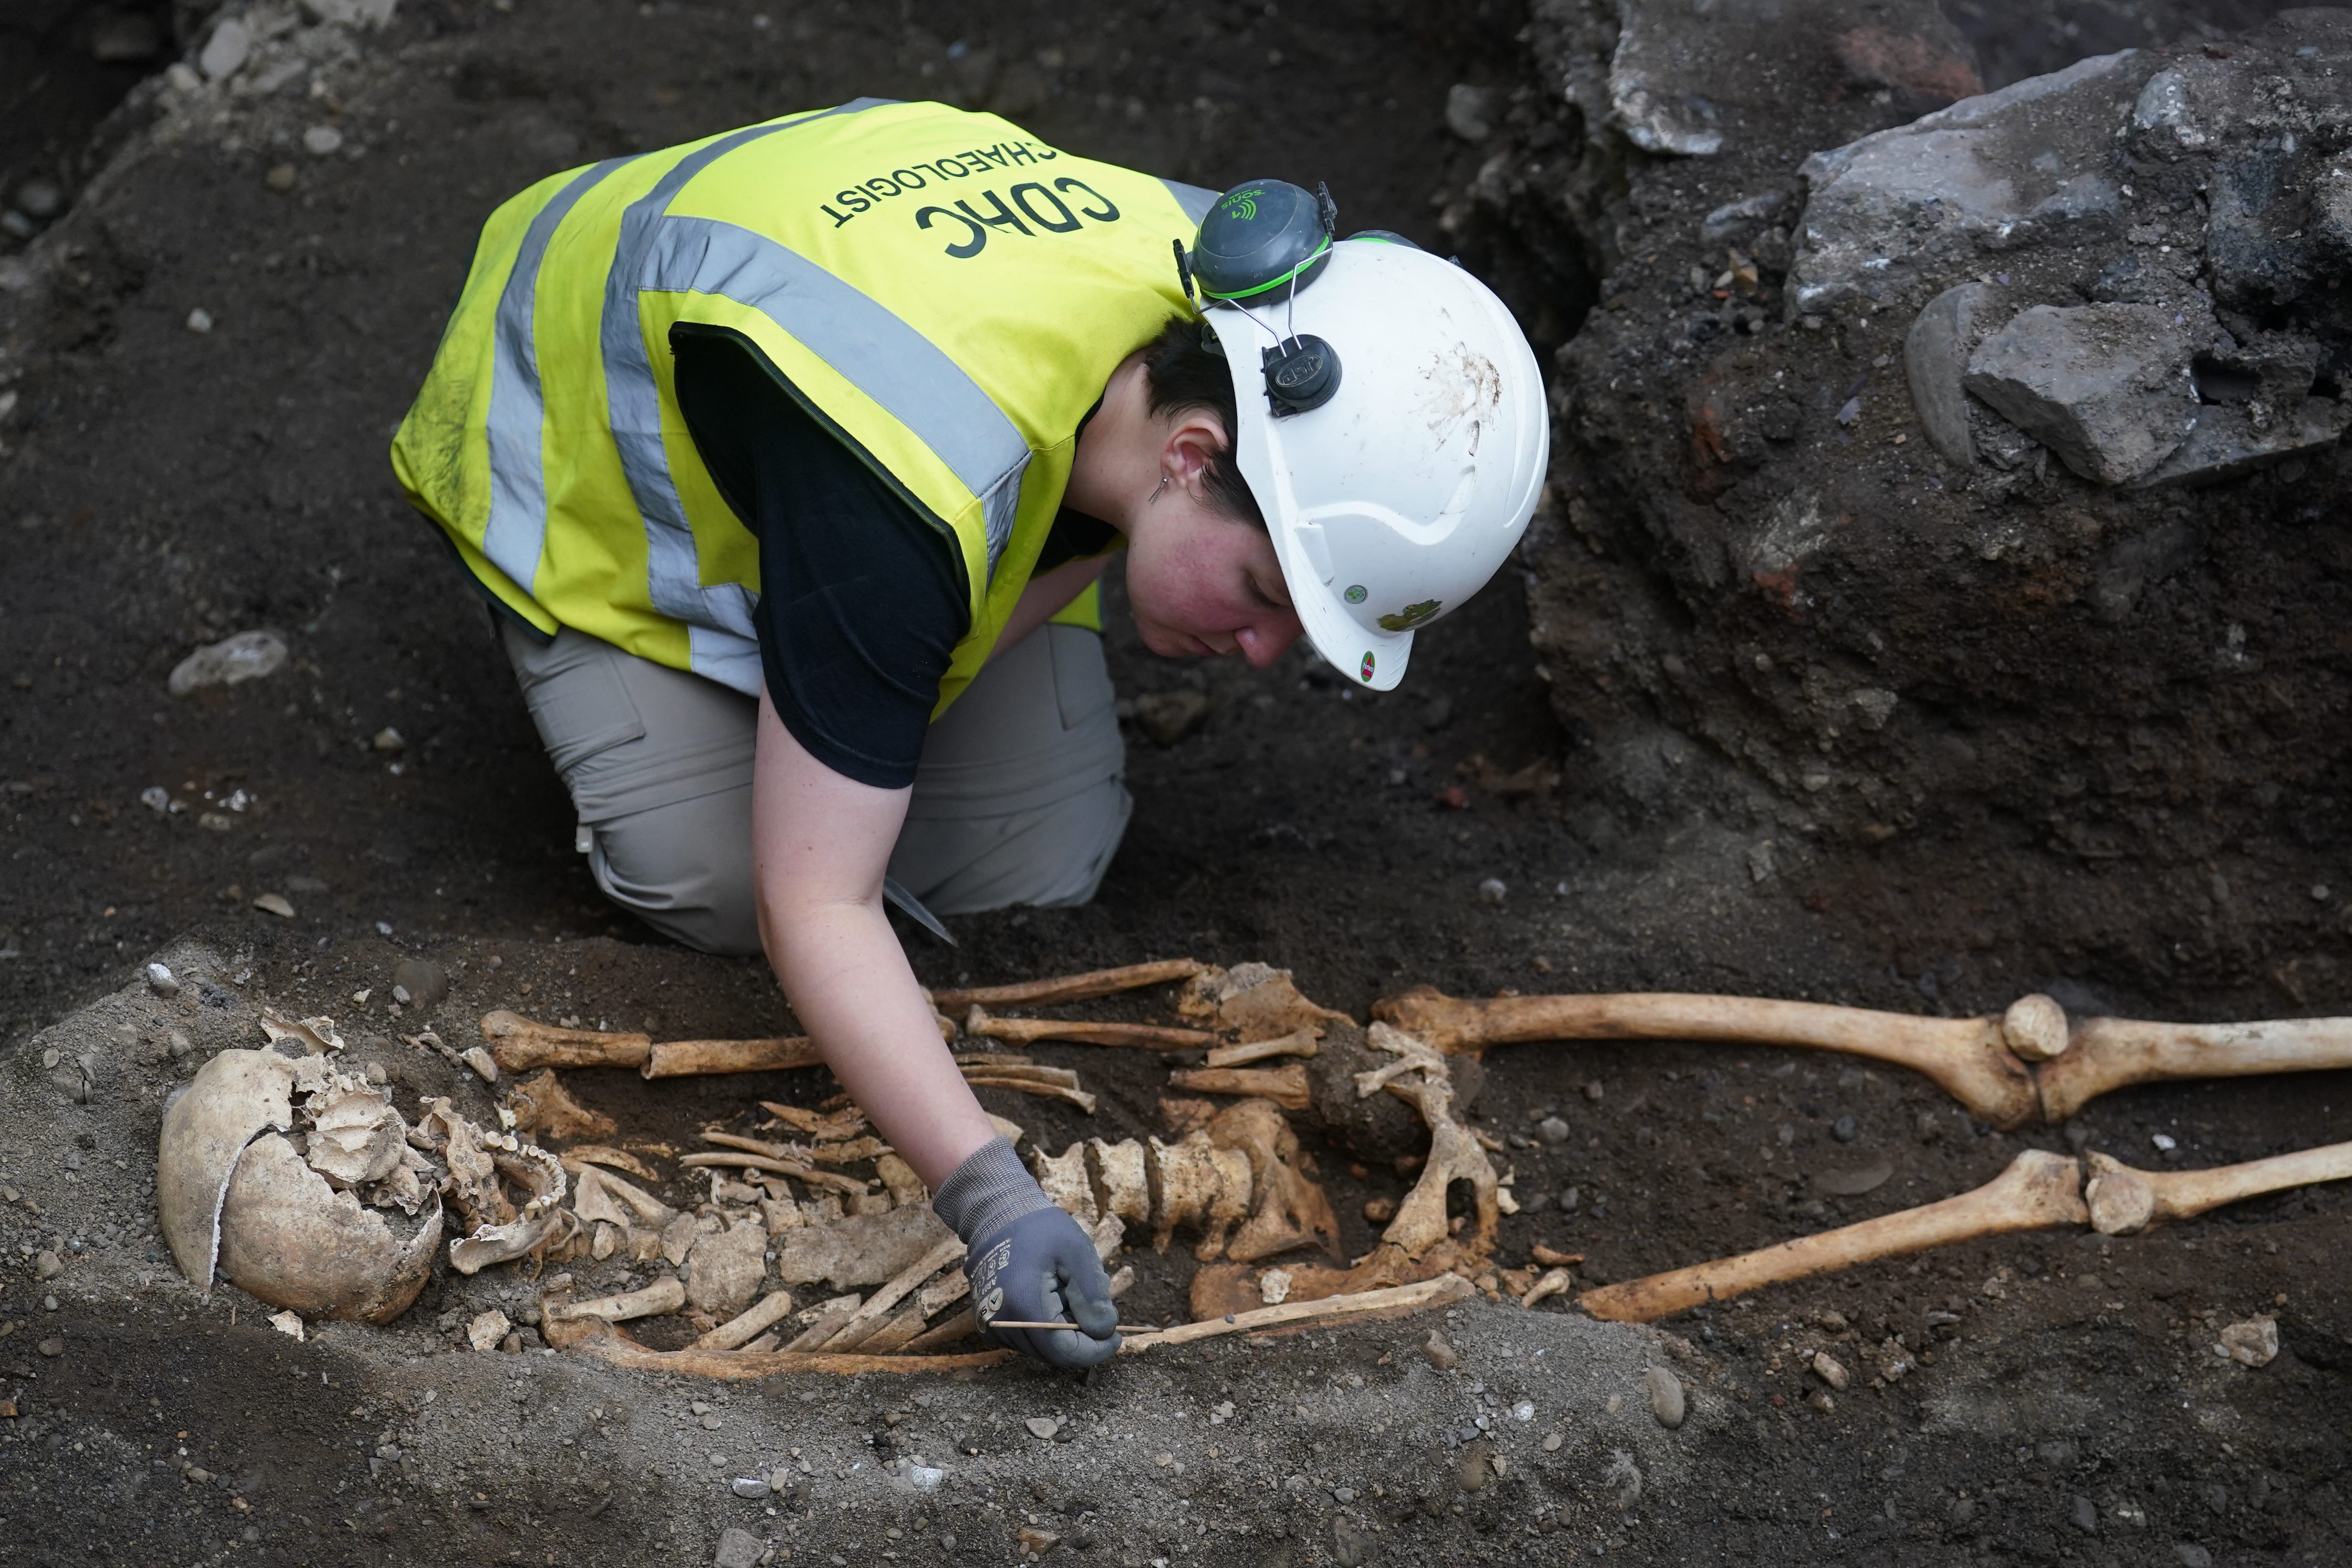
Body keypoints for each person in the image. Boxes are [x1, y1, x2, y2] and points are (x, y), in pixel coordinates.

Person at [392, 98, 1546, 1368]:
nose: (1270, 656)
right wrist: (989, 1194)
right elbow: (814, 907)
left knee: (1028, 865)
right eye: (1270, 597)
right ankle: (723, 677)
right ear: (1193, 454)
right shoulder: (902, 478)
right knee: (731, 890)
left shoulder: (1241, 297)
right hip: (592, 452)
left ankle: (831, 688)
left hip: (881, 405)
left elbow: (1021, 565)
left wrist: (869, 701)